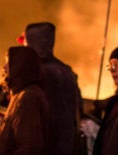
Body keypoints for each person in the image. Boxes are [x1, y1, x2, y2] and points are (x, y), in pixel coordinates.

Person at [20, 22, 83, 155]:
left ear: (33, 43)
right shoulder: (66, 71)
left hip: (46, 147)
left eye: (25, 42)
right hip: (65, 145)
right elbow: (79, 107)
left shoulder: (38, 72)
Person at [0, 45, 49, 155]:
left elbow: (29, 147)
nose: (4, 68)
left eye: (8, 63)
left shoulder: (28, 98)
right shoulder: (20, 95)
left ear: (20, 66)